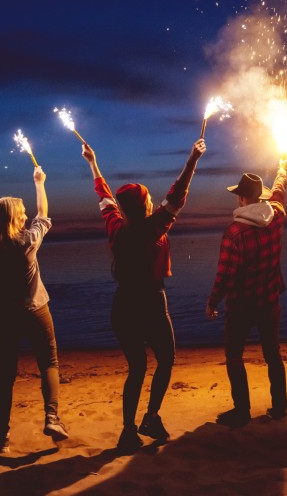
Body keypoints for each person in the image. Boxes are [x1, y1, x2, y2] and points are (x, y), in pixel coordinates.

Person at [83, 138, 205, 453]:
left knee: (137, 368)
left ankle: (128, 431)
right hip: (150, 302)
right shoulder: (150, 229)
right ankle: (150, 417)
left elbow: (104, 195)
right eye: (149, 199)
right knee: (166, 359)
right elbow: (178, 195)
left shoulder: (117, 225)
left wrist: (92, 163)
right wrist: (192, 158)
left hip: (123, 305)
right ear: (144, 206)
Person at [0, 166, 69, 455]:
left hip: (5, 316)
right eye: (22, 213)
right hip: (35, 309)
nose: (26, 215)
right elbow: (43, 213)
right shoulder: (27, 241)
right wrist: (40, 183)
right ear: (15, 218)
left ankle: (2, 439)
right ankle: (52, 417)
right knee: (49, 362)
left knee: (5, 377)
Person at [206, 157, 287, 428]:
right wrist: (283, 167)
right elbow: (280, 190)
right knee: (272, 354)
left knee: (233, 356)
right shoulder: (276, 214)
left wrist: (212, 301)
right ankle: (279, 406)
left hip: (241, 305)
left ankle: (242, 411)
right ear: (259, 197)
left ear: (241, 198)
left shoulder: (235, 233)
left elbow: (225, 273)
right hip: (269, 299)